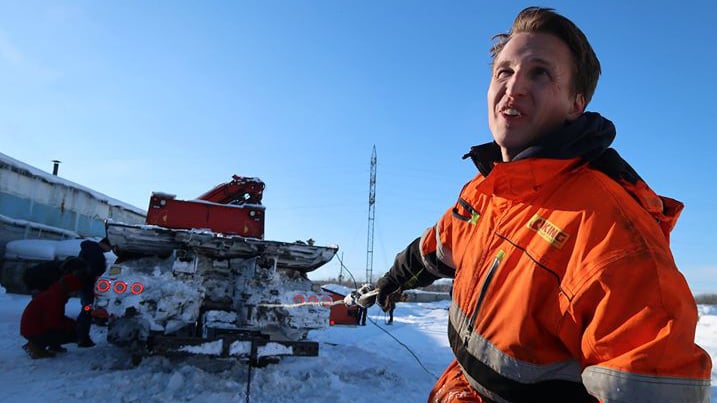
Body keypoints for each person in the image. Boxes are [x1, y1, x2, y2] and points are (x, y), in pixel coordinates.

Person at [365, 7, 712, 402]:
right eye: (505, 72)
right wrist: (393, 281)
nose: (514, 87)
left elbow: (654, 382)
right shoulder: (487, 189)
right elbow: (440, 244)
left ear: (575, 104)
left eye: (539, 73)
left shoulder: (612, 232)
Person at [20, 259, 89, 359]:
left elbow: (56, 317)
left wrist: (71, 323)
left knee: (69, 328)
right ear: (70, 289)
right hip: (33, 330)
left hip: (32, 329)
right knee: (72, 333)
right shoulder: (54, 298)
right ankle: (35, 346)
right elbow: (53, 322)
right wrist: (74, 325)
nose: (75, 294)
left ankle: (48, 345)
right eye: (75, 291)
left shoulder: (56, 293)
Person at [76, 237, 112, 347]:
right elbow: (94, 272)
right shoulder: (96, 254)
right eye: (110, 247)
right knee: (87, 309)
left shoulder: (90, 249)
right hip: (89, 287)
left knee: (86, 308)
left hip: (84, 286)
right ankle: (82, 338)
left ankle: (80, 333)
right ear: (105, 244)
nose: (110, 250)